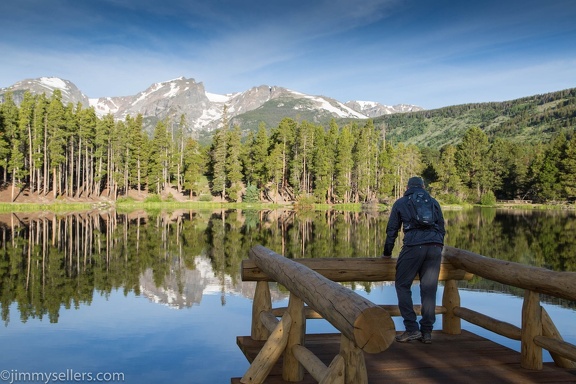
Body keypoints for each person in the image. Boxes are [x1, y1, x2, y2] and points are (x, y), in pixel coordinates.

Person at [381, 176, 445, 344]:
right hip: (435, 247)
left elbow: (392, 230)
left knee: (402, 285)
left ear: (407, 187)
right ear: (423, 187)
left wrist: (387, 253)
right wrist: (437, 246)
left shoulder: (401, 202)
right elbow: (442, 228)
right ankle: (427, 332)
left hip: (413, 247)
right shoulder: (433, 202)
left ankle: (411, 329)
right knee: (429, 290)